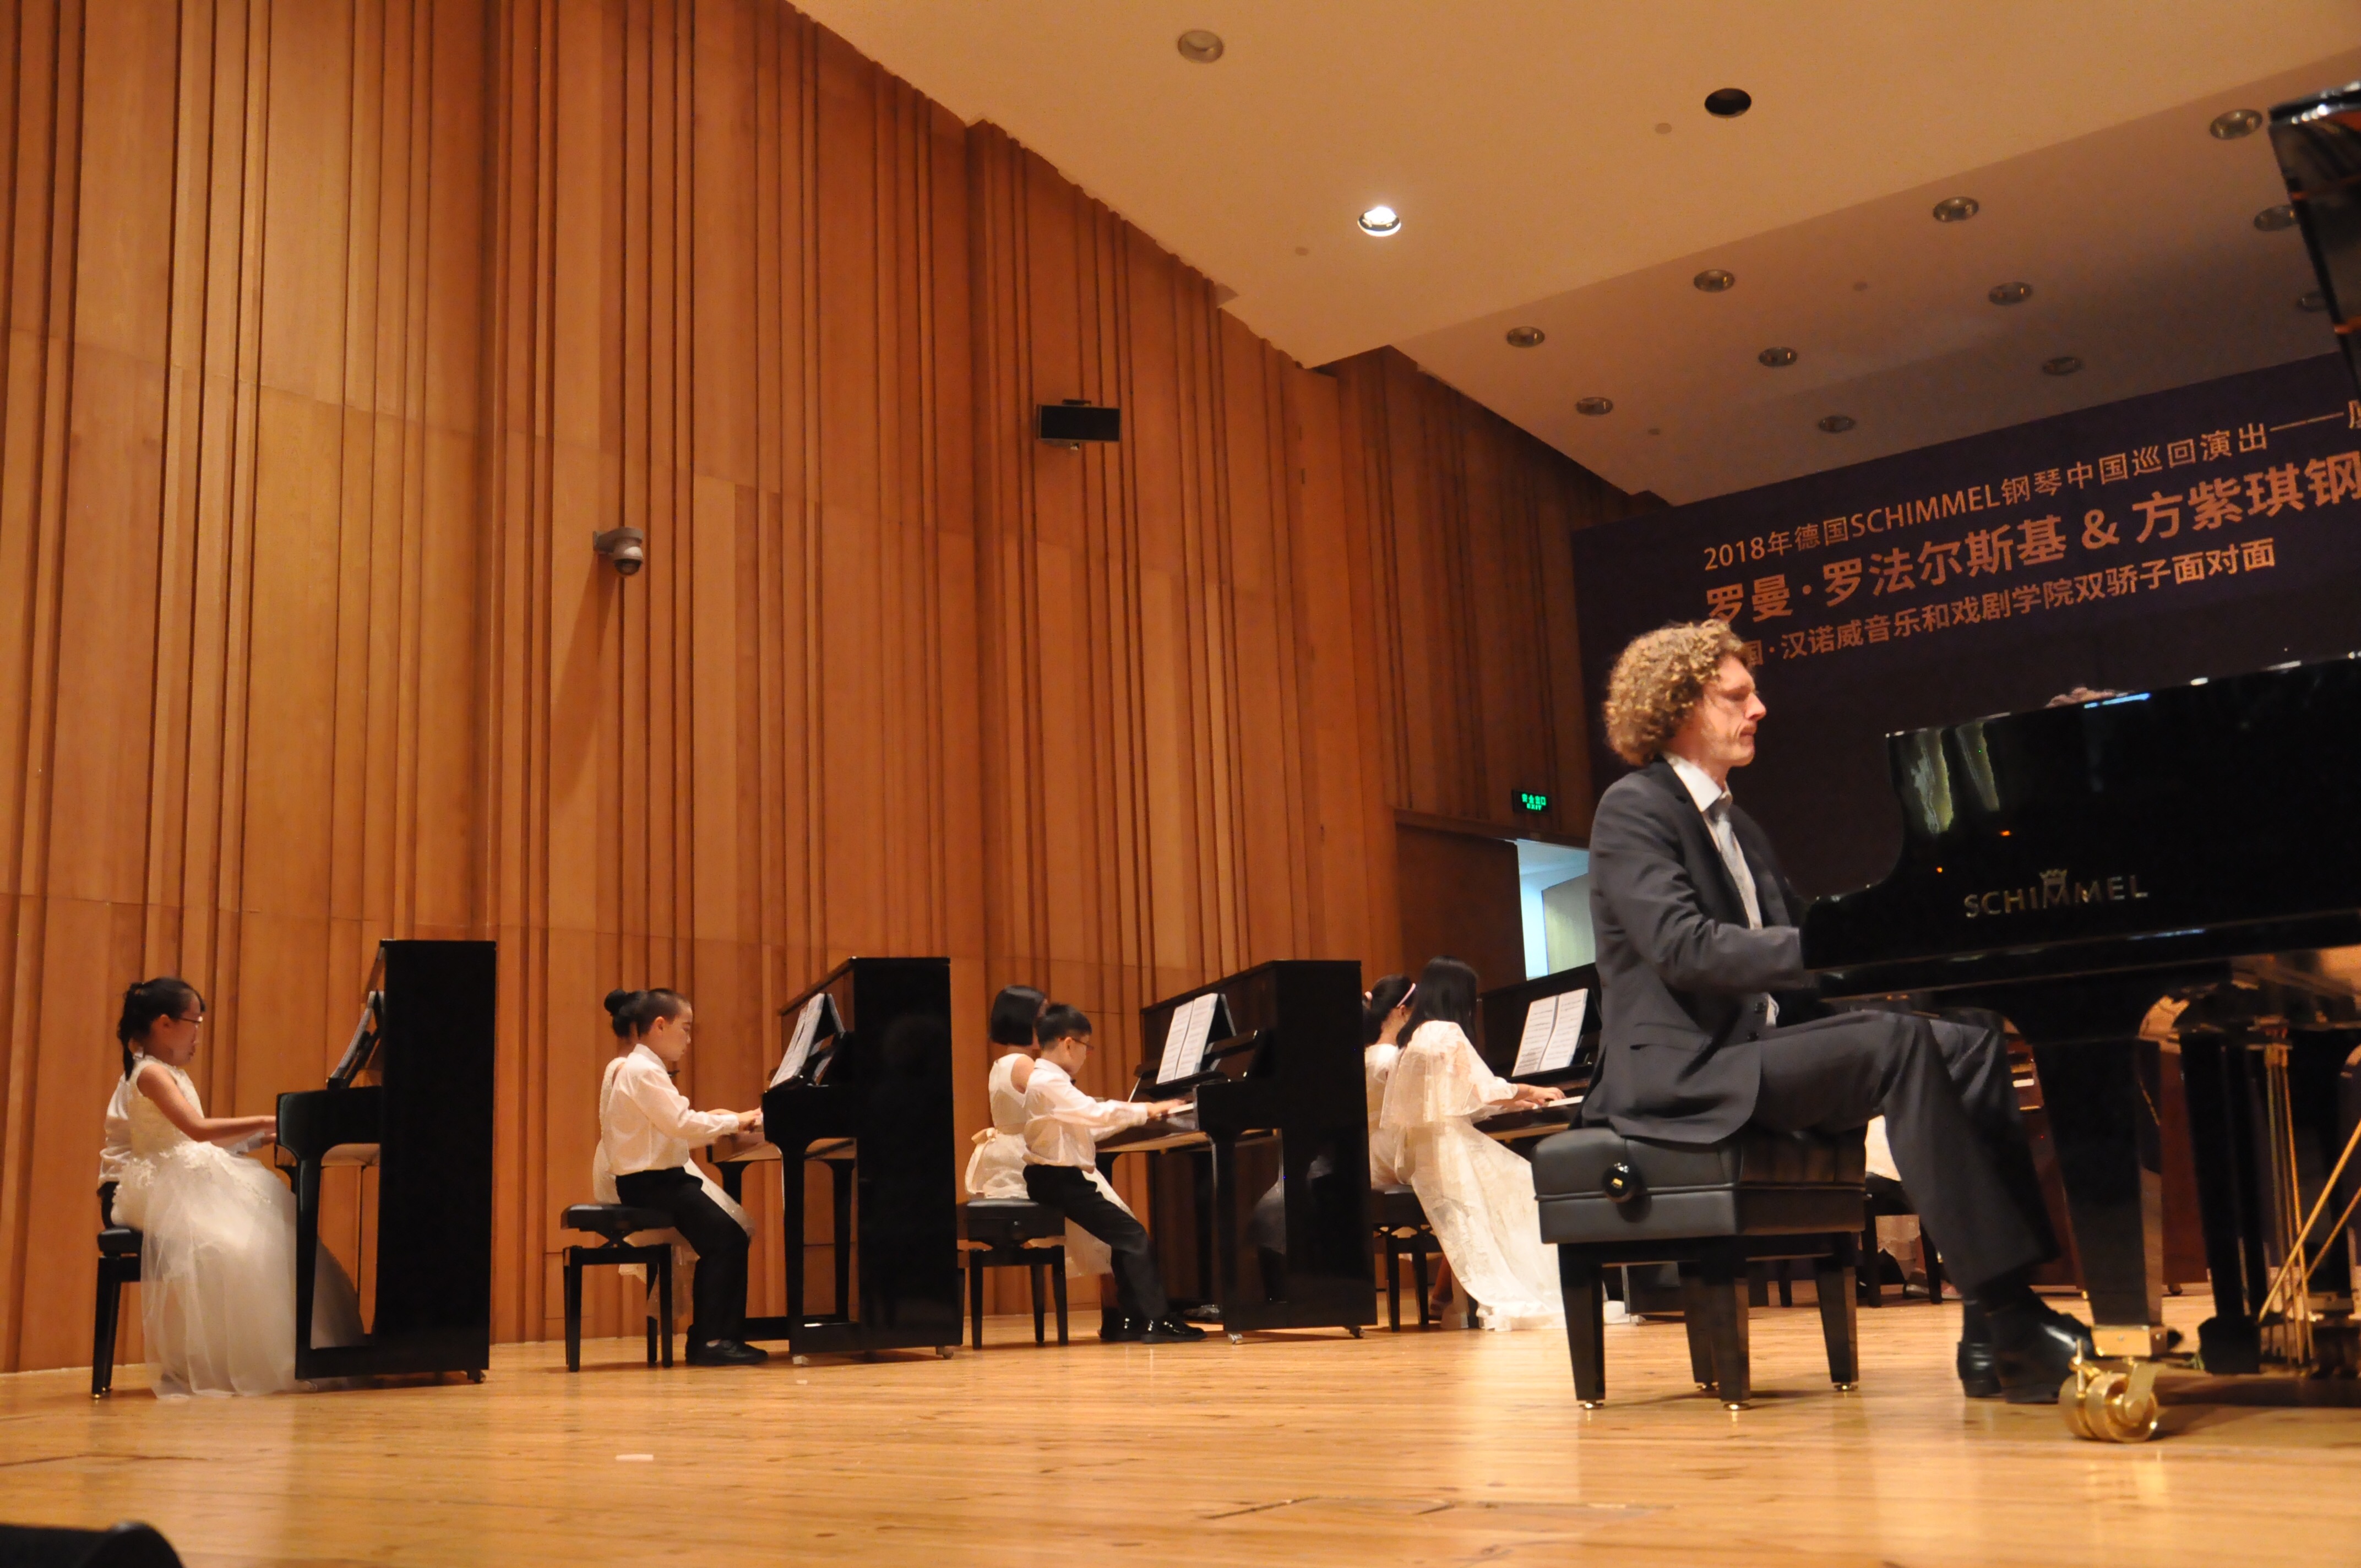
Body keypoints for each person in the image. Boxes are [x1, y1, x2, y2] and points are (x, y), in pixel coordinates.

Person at [1584, 620, 2091, 1401]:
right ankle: (2013, 1316)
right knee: (1895, 1046)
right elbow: (1683, 948)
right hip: (1686, 1071)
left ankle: (1989, 1329)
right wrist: (1844, 944)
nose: (1759, 708)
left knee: (1970, 1033)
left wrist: (1911, 965)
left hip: (1753, 1052)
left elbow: (1808, 954)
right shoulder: (1633, 808)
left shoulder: (1737, 825)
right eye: (1736, 696)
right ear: (1679, 706)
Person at [106, 977, 363, 1397]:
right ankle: (247, 1361)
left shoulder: (170, 1073)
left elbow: (194, 1139)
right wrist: (270, 1120)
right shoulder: (150, 1073)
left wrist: (262, 1136)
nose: (198, 1035)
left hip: (187, 1177)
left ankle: (303, 1354)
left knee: (278, 1237)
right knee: (242, 1249)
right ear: (165, 1024)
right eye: (195, 1023)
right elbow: (197, 1129)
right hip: (161, 1190)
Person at [1379, 957, 1568, 1330]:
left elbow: (1455, 1096)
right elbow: (1483, 1088)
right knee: (1528, 1184)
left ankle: (1448, 1297)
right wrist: (1529, 1090)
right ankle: (1543, 1283)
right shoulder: (1447, 1031)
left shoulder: (1413, 1037)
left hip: (1421, 1155)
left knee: (1512, 1180)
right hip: (1448, 1151)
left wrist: (1512, 1102)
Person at [597, 988, 767, 1366]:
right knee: (728, 1238)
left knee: (727, 1236)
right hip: (654, 1184)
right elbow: (679, 1123)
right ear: (660, 1025)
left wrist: (727, 1120)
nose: (689, 1040)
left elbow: (672, 1125)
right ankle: (712, 1341)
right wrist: (735, 1120)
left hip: (655, 1181)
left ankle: (712, 1338)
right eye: (686, 1029)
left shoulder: (643, 1068)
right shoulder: (643, 1071)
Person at [1020, 1003, 1204, 1343]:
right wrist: (1148, 1109)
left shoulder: (1048, 1081)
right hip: (1058, 1181)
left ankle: (1133, 1319)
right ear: (1068, 1043)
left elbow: (1088, 1128)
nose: (1087, 1055)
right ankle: (1157, 1321)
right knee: (1134, 1236)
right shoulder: (1047, 1082)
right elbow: (1093, 1112)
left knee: (1125, 1236)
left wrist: (1141, 1118)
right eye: (1086, 1046)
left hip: (1056, 1180)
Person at [961, 983, 1126, 1315]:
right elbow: (1066, 1107)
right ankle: (1121, 1314)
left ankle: (1120, 1312)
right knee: (1113, 1220)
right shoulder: (1024, 1064)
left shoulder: (1003, 1063)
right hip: (1025, 1161)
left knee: (1105, 1219)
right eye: (1044, 1015)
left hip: (1009, 1157)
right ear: (1024, 1019)